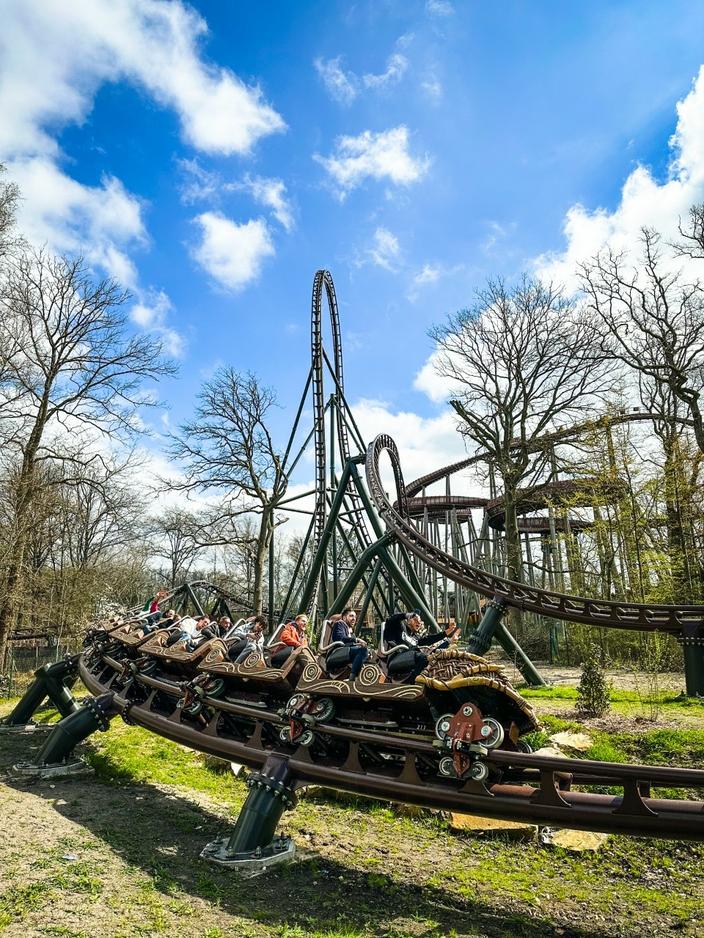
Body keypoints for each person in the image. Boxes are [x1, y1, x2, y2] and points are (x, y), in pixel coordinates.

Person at [383, 610, 459, 682]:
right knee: (421, 657)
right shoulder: (399, 628)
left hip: (411, 659)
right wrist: (407, 615)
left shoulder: (415, 638)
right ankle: (413, 684)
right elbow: (391, 619)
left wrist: (448, 633)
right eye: (415, 620)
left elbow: (429, 639)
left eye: (419, 621)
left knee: (433, 656)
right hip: (395, 659)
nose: (418, 623)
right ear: (408, 620)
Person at [325, 608, 369, 680]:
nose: (354, 619)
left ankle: (361, 677)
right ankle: (352, 678)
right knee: (362, 650)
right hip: (336, 653)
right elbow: (339, 637)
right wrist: (356, 640)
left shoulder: (351, 632)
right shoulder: (340, 624)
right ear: (344, 617)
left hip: (345, 653)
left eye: (355, 617)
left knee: (366, 652)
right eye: (351, 616)